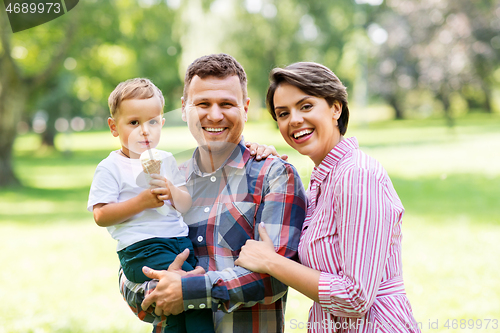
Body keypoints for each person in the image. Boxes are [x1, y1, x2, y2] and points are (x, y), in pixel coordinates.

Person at [119, 54, 307, 333]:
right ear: (184, 109)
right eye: (203, 104)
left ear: (245, 108)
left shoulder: (275, 176)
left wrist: (188, 291)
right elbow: (129, 262)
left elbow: (277, 277)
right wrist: (157, 290)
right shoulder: (165, 181)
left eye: (227, 104)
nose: (215, 115)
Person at [235, 62, 421, 333]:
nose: (294, 120)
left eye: (306, 106)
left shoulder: (357, 176)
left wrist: (270, 261)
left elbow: (355, 297)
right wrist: (272, 170)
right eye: (283, 113)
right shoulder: (321, 184)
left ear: (336, 108)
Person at [88, 78, 214, 332]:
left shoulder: (166, 159)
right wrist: (141, 202)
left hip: (178, 243)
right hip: (143, 248)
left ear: (162, 123)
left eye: (152, 122)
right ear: (114, 127)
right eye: (134, 123)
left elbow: (185, 203)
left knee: (196, 302)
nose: (144, 131)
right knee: (182, 304)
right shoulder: (111, 167)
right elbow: (101, 215)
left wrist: (172, 192)